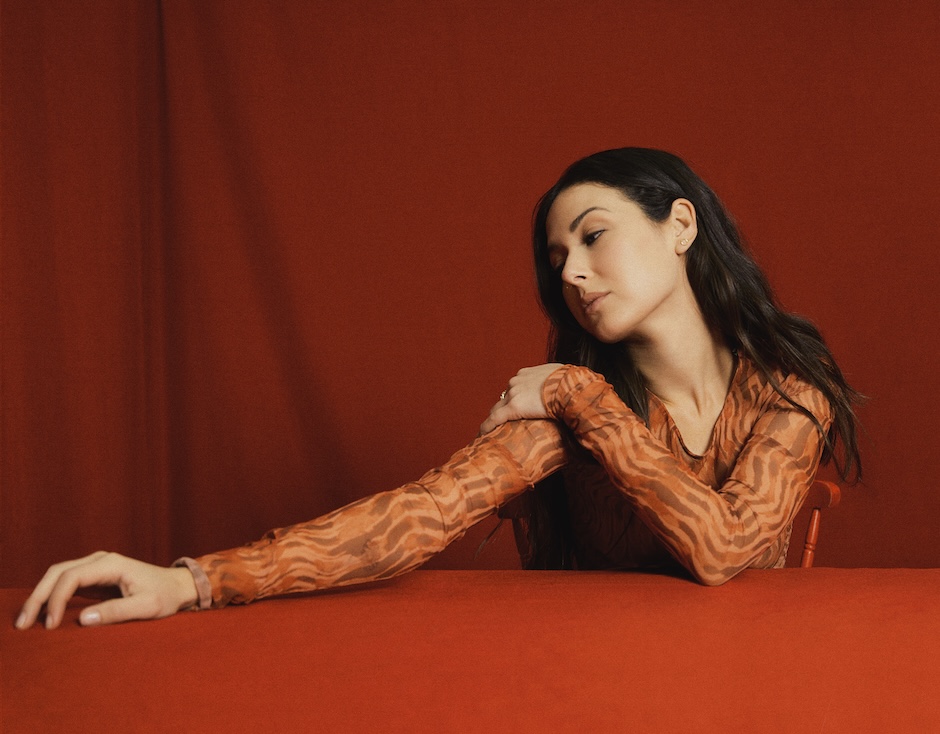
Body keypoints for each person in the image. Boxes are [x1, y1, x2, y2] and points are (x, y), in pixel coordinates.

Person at [16, 147, 861, 631]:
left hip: (755, 691)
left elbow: (720, 550)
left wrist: (579, 395)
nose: (571, 271)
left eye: (593, 236)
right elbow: (420, 515)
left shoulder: (786, 392)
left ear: (680, 226)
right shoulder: (568, 412)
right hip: (596, 690)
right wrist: (189, 581)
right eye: (557, 258)